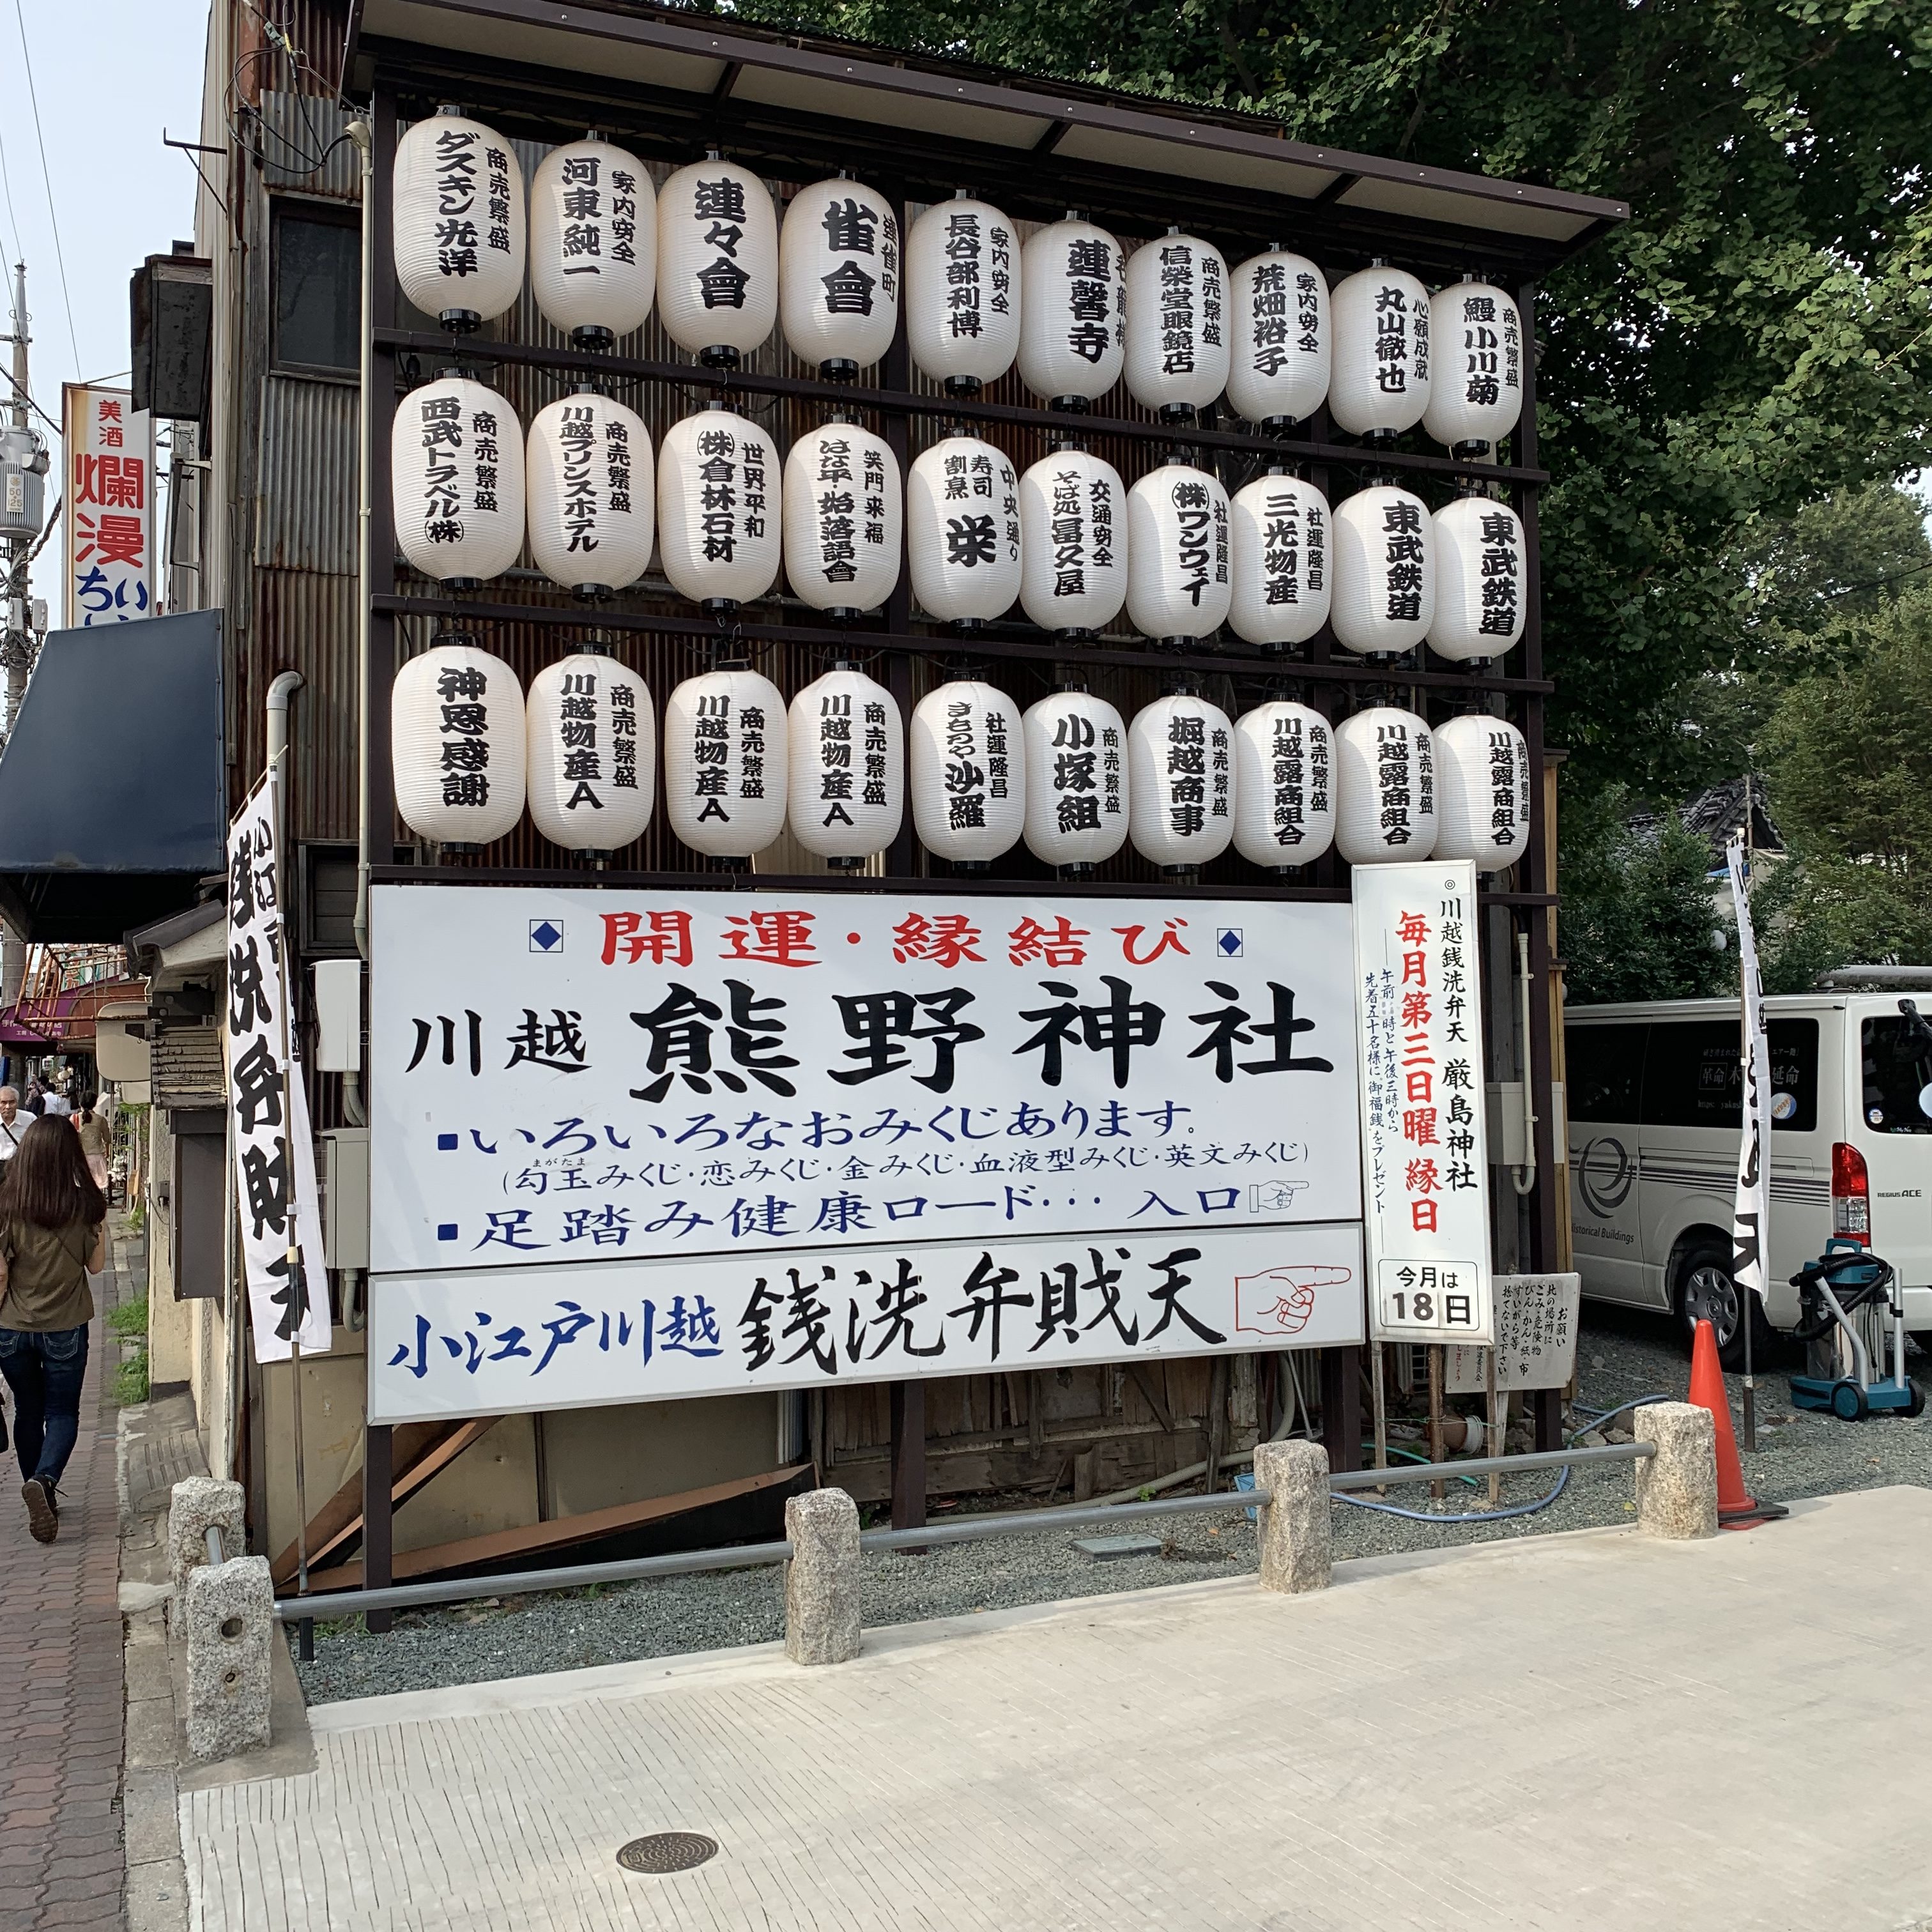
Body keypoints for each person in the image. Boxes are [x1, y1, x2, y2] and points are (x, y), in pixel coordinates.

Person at [0, 1117, 107, 1542]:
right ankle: (43, 1482)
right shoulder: (84, 1205)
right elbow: (96, 1267)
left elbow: (1, 1278)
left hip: (12, 1329)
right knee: (61, 1413)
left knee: (27, 1411)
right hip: (65, 1327)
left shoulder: (7, 1203)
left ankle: (38, 1487)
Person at [76, 1097, 112, 1195]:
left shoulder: (75, 1118)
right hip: (97, 1156)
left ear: (81, 1104)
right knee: (97, 1186)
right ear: (95, 1104)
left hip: (81, 1156)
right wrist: (107, 1153)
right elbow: (107, 1139)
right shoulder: (100, 1119)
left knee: (82, 1184)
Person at [0, 1088, 28, 1164]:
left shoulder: (29, 1119)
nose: (8, 1107)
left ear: (17, 1103)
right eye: (3, 1103)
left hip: (21, 1165)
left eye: (12, 1102)